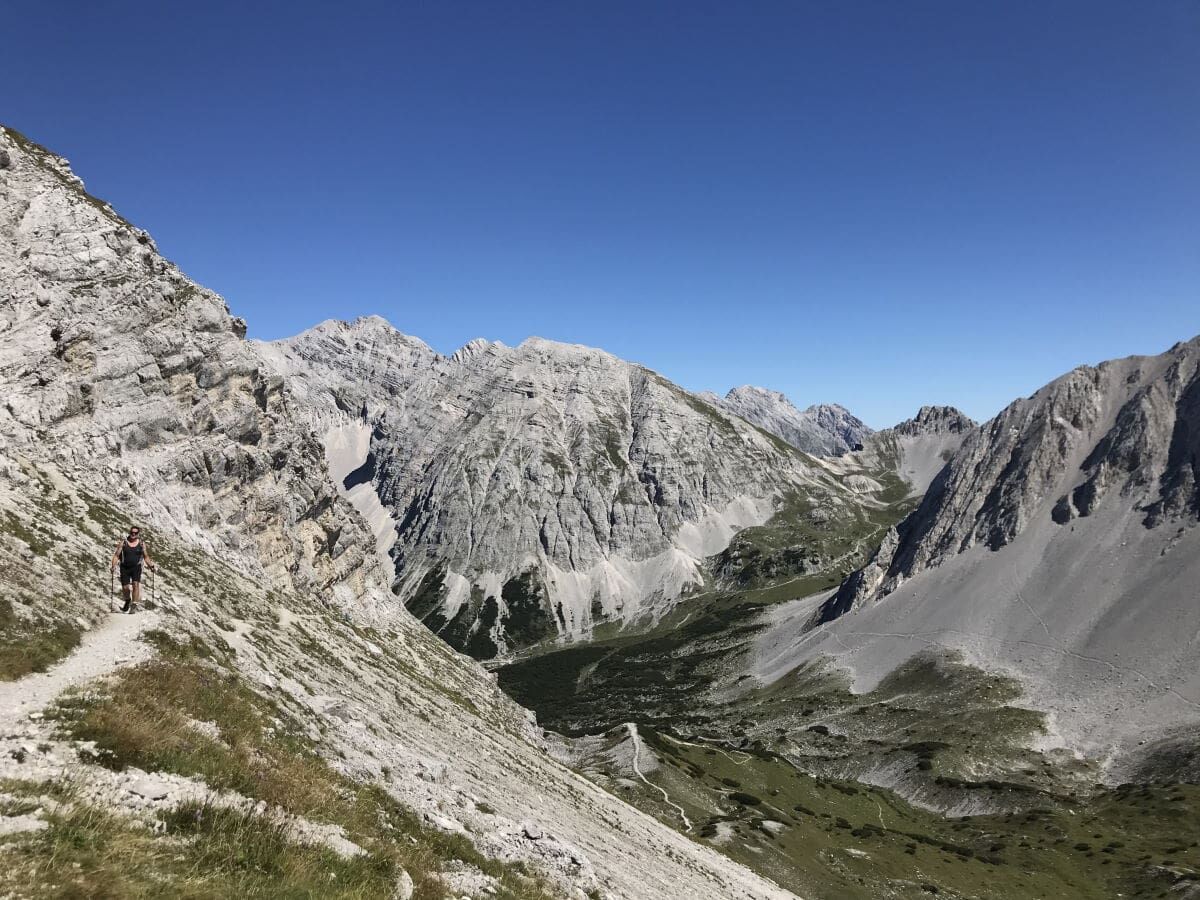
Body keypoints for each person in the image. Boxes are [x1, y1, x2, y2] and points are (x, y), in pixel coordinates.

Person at [110, 526, 155, 613]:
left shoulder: (141, 544)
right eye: (132, 532)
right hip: (124, 567)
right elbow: (116, 555)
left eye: (135, 533)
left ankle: (134, 604)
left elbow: (146, 556)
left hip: (136, 567)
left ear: (138, 534)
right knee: (125, 587)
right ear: (129, 532)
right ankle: (127, 600)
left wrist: (151, 566)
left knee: (135, 584)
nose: (133, 534)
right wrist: (113, 566)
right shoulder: (124, 543)